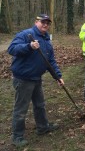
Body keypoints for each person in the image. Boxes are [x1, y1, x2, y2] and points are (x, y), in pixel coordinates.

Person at [7, 14, 64, 147]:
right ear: (36, 22)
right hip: (23, 79)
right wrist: (29, 46)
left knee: (39, 104)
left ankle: (42, 127)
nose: (45, 25)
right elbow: (12, 49)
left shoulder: (46, 39)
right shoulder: (26, 34)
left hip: (36, 78)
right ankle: (17, 136)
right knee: (21, 109)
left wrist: (58, 76)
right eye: (43, 22)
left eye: (47, 23)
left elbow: (50, 61)